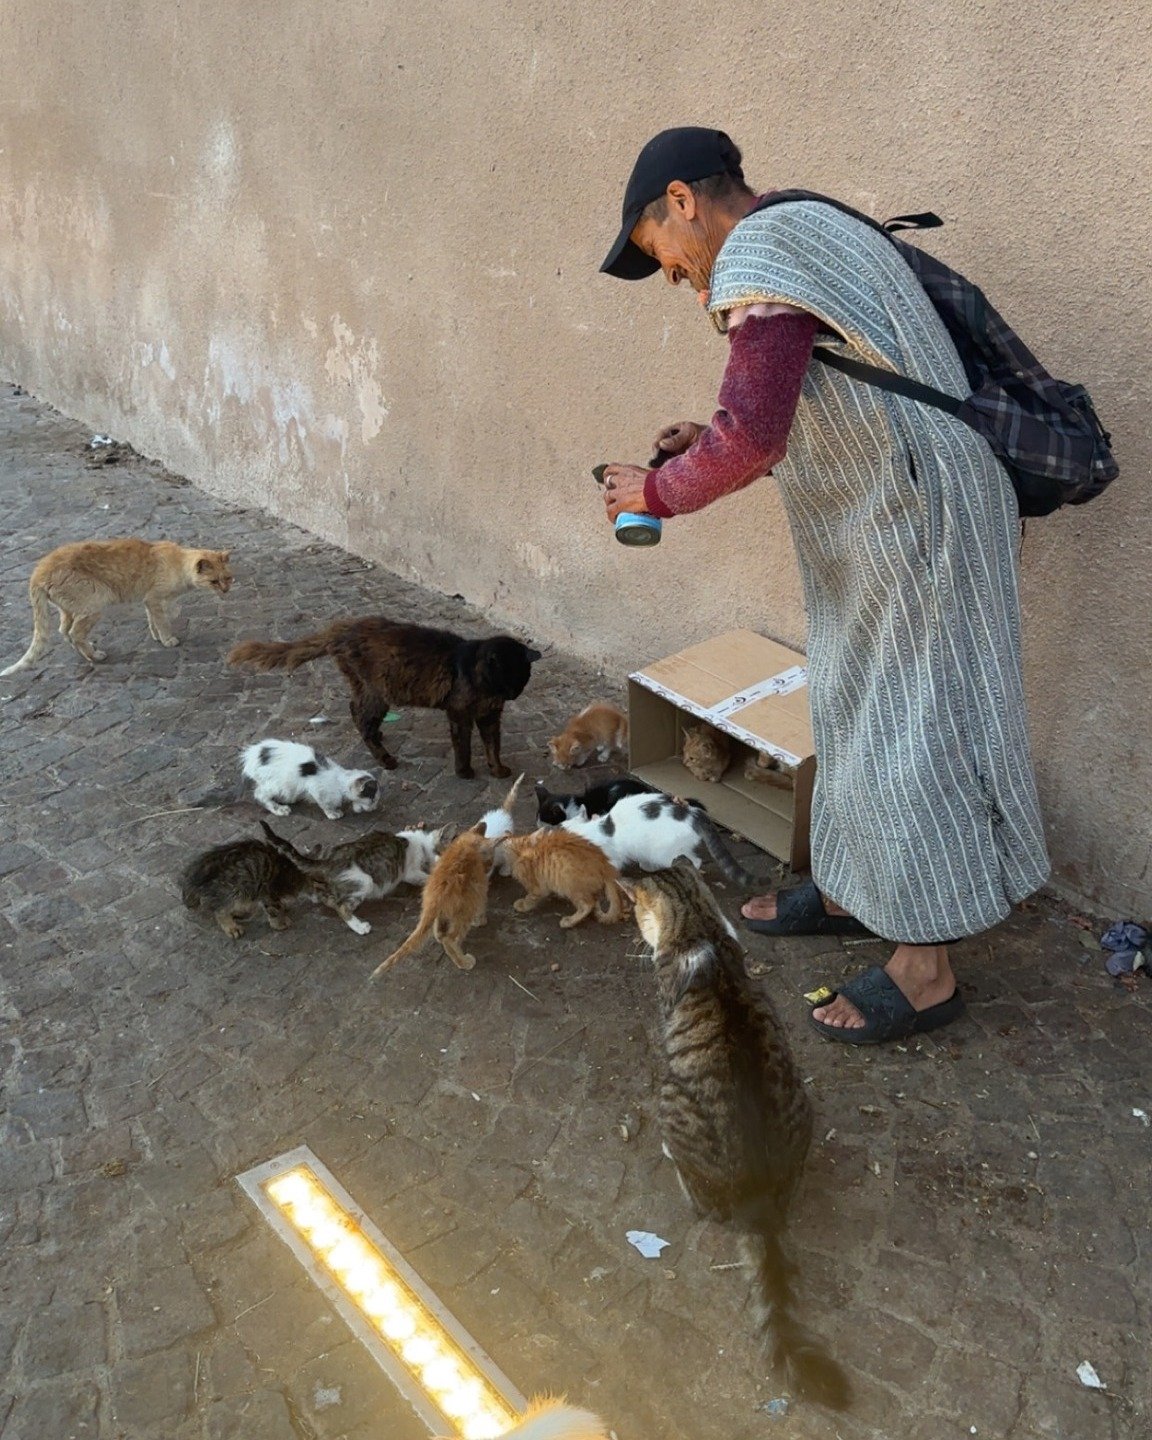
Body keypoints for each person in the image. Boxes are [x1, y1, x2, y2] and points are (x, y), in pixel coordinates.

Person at [598, 127, 1050, 1044]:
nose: (679, 278)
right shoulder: (806, 228)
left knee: (916, 721)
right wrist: (710, 438)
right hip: (893, 516)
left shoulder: (763, 247)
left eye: (662, 254)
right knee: (852, 702)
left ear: (682, 200)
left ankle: (924, 970)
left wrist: (655, 491)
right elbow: (836, 398)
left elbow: (758, 432)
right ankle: (853, 888)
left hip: (916, 520)